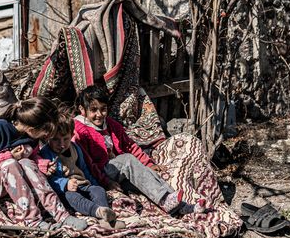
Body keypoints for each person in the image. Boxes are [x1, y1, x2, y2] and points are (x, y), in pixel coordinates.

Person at [0, 97, 87, 230]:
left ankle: (62, 215)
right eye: (45, 132)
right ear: (33, 128)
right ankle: (33, 220)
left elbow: (32, 156)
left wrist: (43, 164)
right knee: (9, 164)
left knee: (27, 162)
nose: (46, 136)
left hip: (13, 177)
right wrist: (9, 156)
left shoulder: (32, 137)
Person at [73, 85, 199, 215]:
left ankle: (181, 205)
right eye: (93, 110)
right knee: (127, 160)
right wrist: (106, 182)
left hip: (118, 172)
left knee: (148, 176)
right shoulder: (81, 130)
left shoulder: (110, 124)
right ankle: (165, 199)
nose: (99, 115)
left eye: (103, 109)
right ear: (82, 110)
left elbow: (130, 145)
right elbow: (87, 163)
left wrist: (148, 164)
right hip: (100, 173)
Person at [37, 107, 125, 228]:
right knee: (72, 197)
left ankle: (105, 215)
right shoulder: (46, 154)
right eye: (56, 139)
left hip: (83, 185)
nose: (62, 144)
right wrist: (65, 183)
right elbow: (48, 180)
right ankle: (98, 212)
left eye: (66, 139)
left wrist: (93, 184)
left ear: (72, 135)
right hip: (65, 191)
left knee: (98, 190)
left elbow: (84, 169)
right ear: (48, 137)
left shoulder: (75, 148)